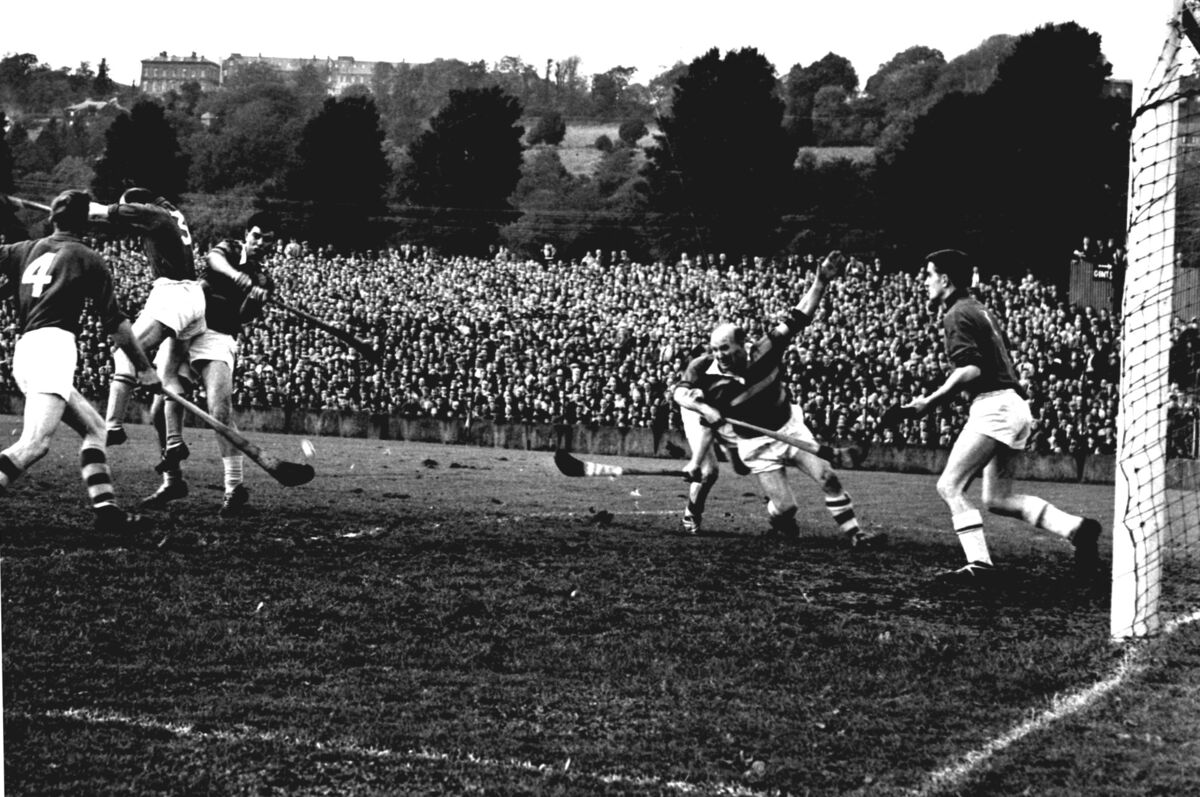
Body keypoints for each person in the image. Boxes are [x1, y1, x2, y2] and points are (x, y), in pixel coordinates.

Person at [902, 249, 1101, 585]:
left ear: (945, 279)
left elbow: (970, 370)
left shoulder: (956, 313)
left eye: (929, 274)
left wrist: (930, 401)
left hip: (994, 406)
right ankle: (1077, 529)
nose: (925, 282)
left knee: (949, 485)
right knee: (998, 499)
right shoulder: (978, 308)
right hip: (1014, 406)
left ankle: (979, 564)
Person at [673, 251, 884, 548]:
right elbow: (680, 396)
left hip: (789, 427)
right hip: (756, 444)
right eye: (715, 349)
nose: (720, 356)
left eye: (725, 349)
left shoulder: (767, 348)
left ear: (743, 345)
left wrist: (821, 281)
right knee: (786, 509)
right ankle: (777, 519)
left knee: (828, 477)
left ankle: (856, 535)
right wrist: (704, 412)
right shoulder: (706, 375)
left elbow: (800, 315)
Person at [0, 190, 161, 532]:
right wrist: (145, 368)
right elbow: (116, 325)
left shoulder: (25, 249)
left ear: (52, 218)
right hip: (53, 349)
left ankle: (106, 510)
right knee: (35, 444)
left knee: (95, 429)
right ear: (87, 220)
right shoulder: (88, 258)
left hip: (27, 349)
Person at [141, 213, 275, 517]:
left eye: (267, 240)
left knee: (220, 409)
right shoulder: (227, 249)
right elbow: (214, 261)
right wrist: (234, 275)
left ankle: (233, 489)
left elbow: (243, 316)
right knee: (159, 410)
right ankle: (173, 481)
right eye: (256, 236)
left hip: (218, 335)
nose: (260, 244)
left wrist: (252, 301)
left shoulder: (265, 279)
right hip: (189, 324)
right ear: (246, 235)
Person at [92, 188, 206, 475]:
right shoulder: (170, 213)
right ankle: (175, 442)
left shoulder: (151, 213)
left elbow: (97, 212)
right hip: (193, 298)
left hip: (173, 294)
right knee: (168, 375)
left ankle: (113, 426)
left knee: (126, 352)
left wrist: (66, 209)